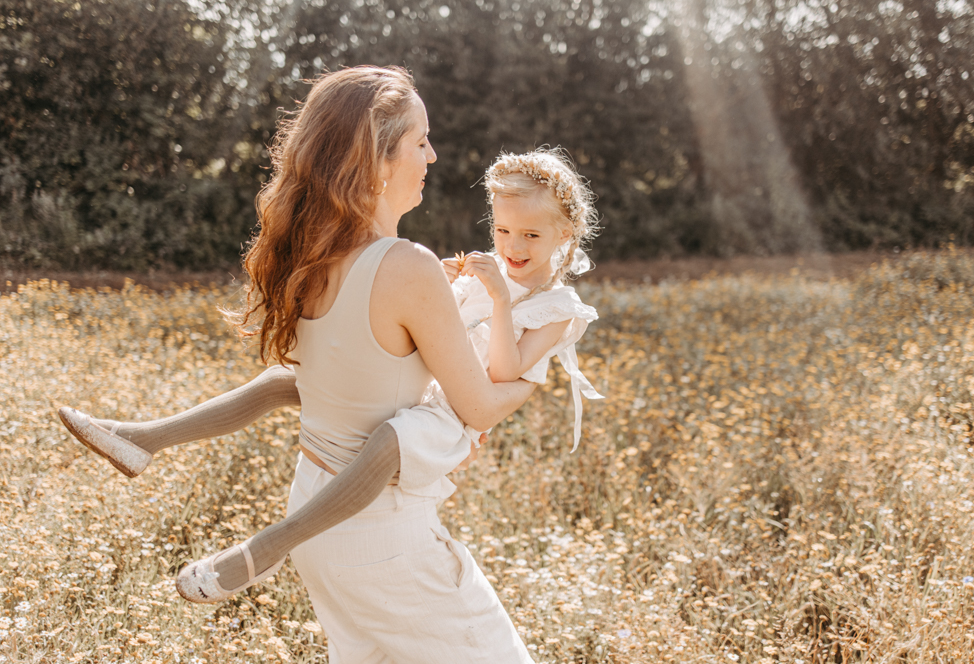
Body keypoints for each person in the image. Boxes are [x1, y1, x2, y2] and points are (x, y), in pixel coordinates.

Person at [60, 68, 598, 662]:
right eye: (420, 141)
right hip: (382, 540)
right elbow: (476, 403)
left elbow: (348, 378)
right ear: (378, 158)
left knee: (282, 384)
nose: (434, 154)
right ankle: (258, 545)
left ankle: (144, 437)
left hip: (318, 511)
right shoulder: (408, 266)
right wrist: (516, 393)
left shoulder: (317, 252)